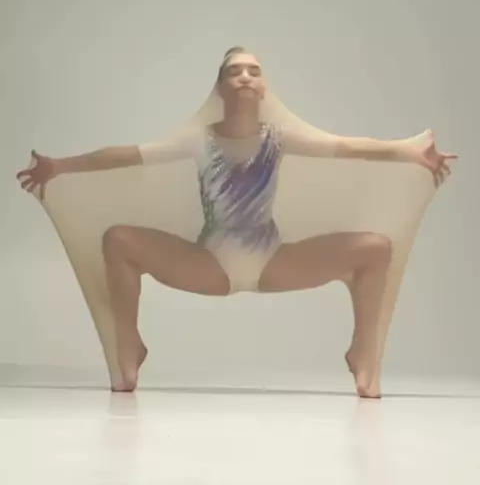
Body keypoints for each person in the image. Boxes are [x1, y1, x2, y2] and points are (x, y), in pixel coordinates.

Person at [17, 47, 456, 397]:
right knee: (117, 240)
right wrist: (60, 167)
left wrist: (408, 151)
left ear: (264, 87)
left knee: (376, 249)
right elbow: (127, 155)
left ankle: (363, 352)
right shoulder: (198, 139)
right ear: (221, 87)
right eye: (234, 71)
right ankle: (128, 343)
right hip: (210, 264)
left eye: (253, 71)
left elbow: (348, 146)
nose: (245, 76)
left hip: (272, 261)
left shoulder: (279, 138)